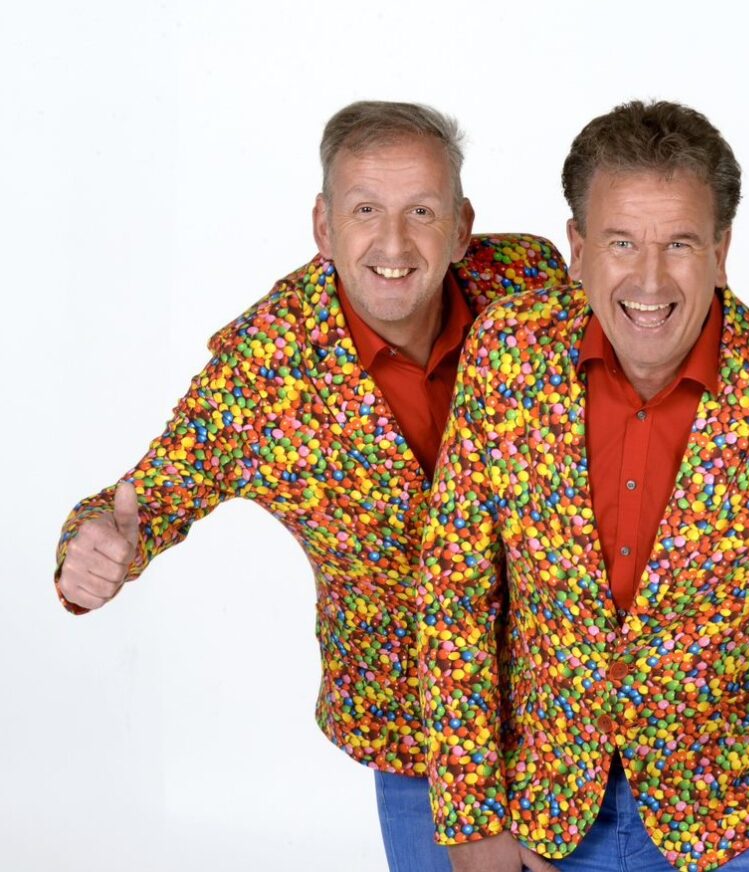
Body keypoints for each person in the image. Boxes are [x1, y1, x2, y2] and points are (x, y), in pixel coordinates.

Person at [418, 100, 749, 872]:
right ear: (578, 249)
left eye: (680, 244)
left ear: (721, 252)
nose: (650, 278)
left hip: (738, 815)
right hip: (544, 815)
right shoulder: (506, 354)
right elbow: (454, 595)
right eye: (622, 242)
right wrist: (470, 822)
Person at [53, 100, 567, 872]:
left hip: (573, 715)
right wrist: (95, 543)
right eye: (365, 210)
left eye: (421, 211)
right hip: (417, 737)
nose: (393, 243)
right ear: (324, 227)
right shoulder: (265, 366)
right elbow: (146, 497)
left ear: (461, 227)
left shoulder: (529, 280)